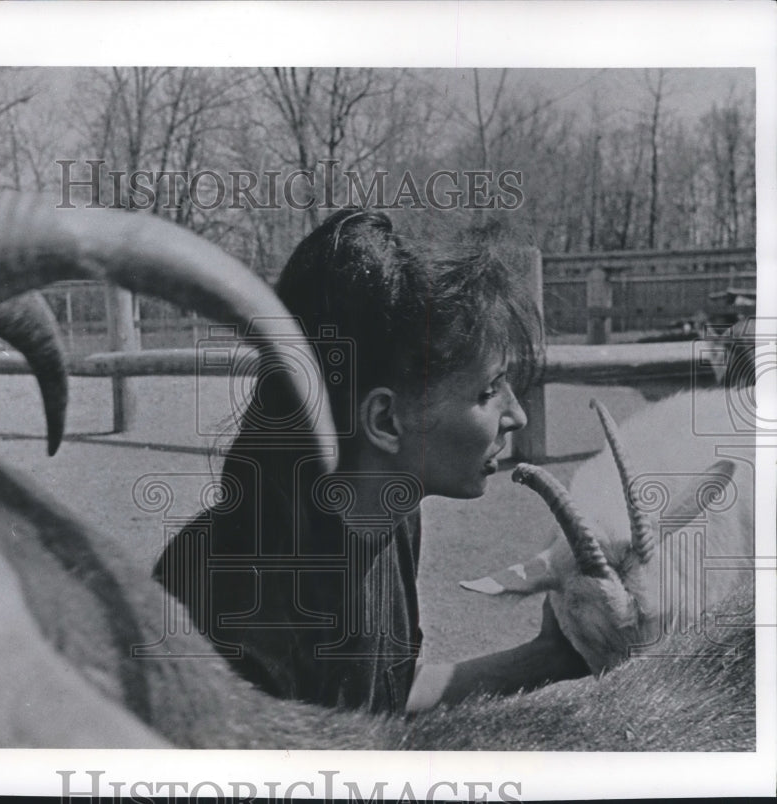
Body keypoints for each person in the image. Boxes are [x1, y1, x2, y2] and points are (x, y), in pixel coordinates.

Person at [153, 208, 589, 715]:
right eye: (487, 391)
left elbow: (384, 697)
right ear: (384, 421)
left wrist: (552, 656)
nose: (515, 415)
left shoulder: (390, 509)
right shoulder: (229, 614)